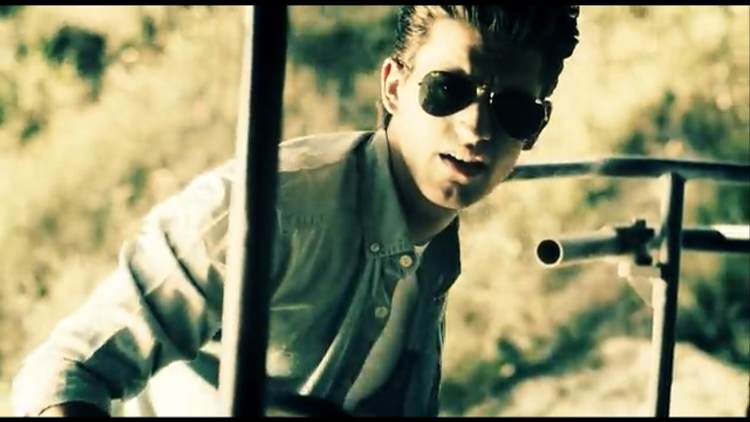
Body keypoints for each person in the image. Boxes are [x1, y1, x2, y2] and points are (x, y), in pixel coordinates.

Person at [12, 5, 580, 417]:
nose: (476, 128)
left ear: (534, 131)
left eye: (512, 109)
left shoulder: (437, 258)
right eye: (447, 90)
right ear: (393, 87)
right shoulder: (270, 207)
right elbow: (65, 371)